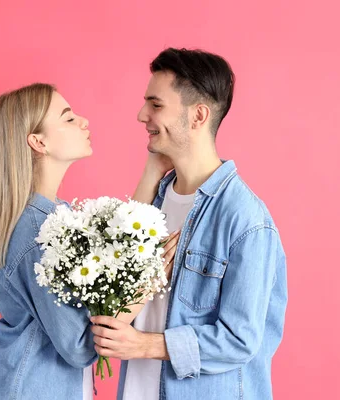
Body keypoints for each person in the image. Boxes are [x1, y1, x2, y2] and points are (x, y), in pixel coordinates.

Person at [91, 48, 288, 400]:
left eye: (156, 104)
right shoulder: (154, 199)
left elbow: (240, 340)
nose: (142, 115)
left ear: (198, 115)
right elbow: (111, 289)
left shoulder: (245, 220)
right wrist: (152, 170)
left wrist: (143, 346)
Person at [0, 83, 179, 400]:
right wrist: (149, 278)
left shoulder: (53, 216)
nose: (83, 121)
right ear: (38, 142)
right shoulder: (39, 232)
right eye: (67, 118)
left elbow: (113, 257)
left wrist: (152, 171)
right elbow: (79, 345)